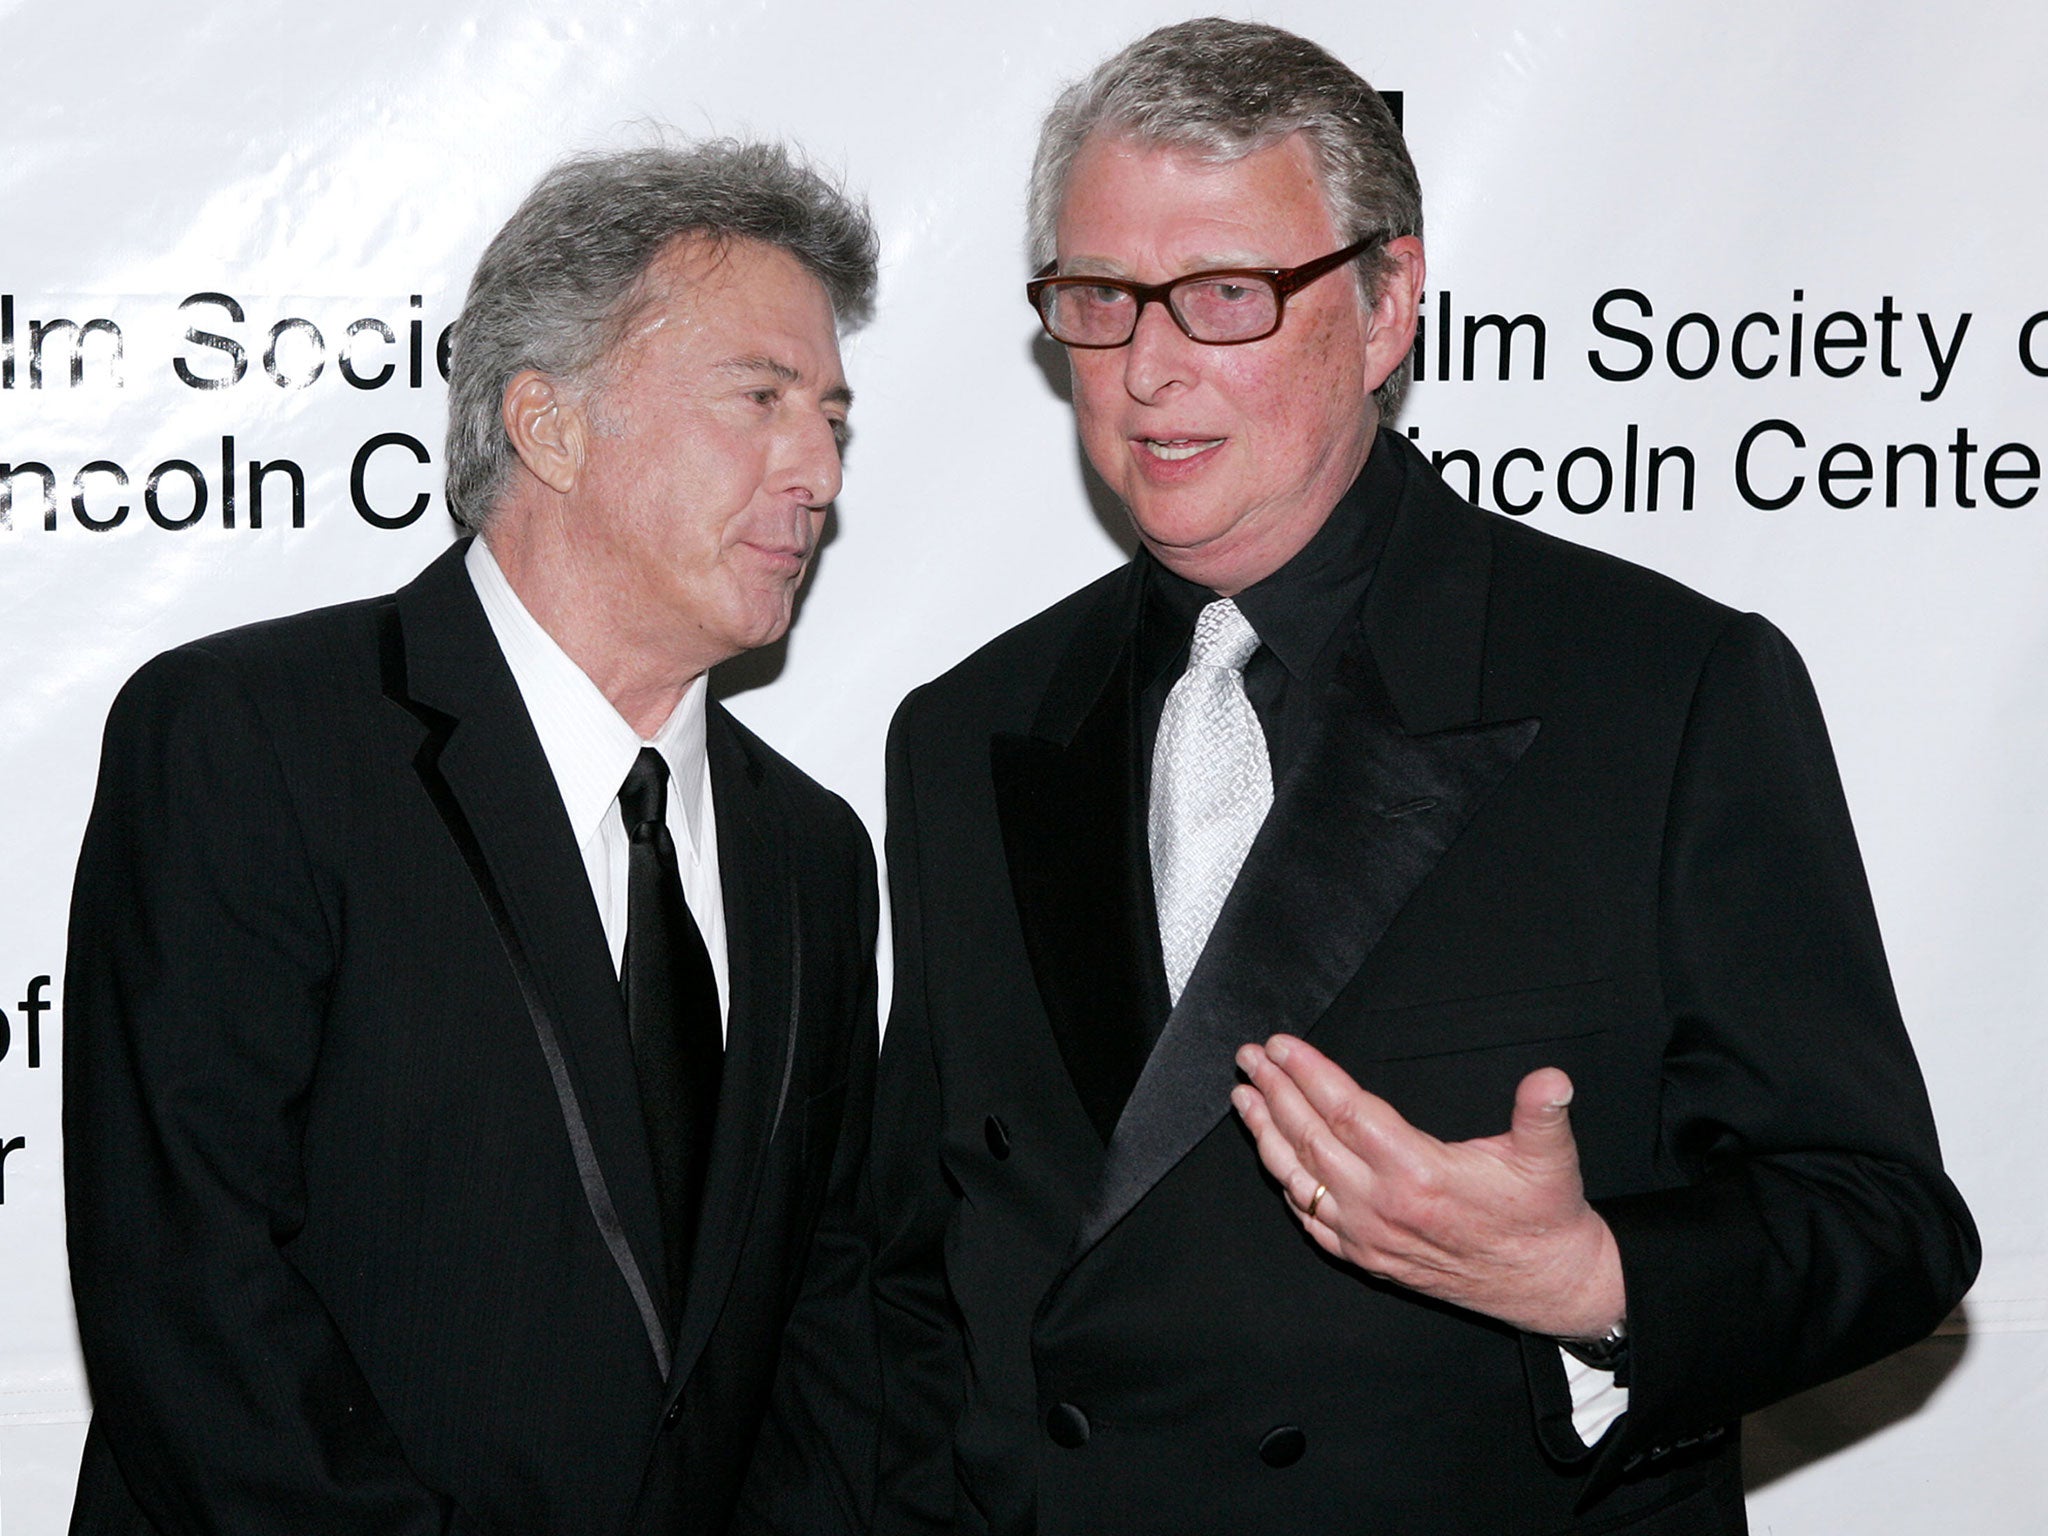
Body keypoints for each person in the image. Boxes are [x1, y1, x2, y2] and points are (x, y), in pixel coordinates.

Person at [870, 19, 1978, 1534]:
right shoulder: (968, 731)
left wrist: (1591, 1280)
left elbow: (1884, 1222)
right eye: (1099, 302)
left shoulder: (1659, 690)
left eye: (1223, 296)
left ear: (1387, 306)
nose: (1146, 369)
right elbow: (916, 1279)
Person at [64, 140, 880, 1536]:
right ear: (551, 426)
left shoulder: (813, 853)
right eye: (761, 400)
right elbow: (191, 1293)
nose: (814, 470)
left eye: (834, 421)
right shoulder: (251, 739)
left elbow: (838, 1315)